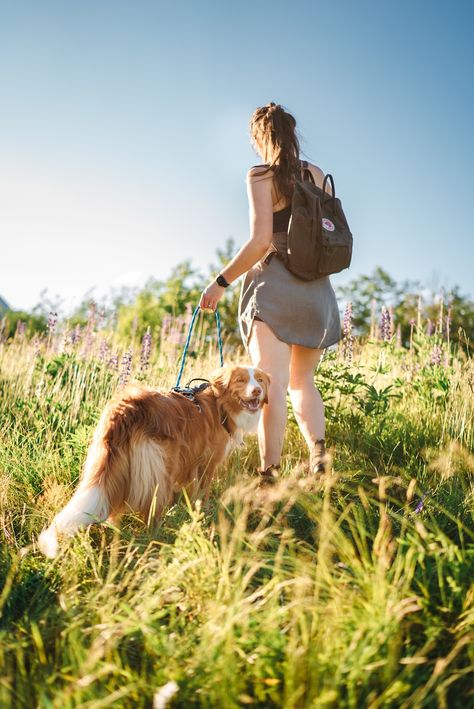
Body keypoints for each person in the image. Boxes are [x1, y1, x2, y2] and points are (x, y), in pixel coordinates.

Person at [199, 102, 341, 480]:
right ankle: (319, 461)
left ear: (259, 137)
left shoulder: (260, 175)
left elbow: (261, 241)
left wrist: (220, 282)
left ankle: (269, 475)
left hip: (275, 287)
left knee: (271, 384)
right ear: (292, 133)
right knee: (302, 382)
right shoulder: (315, 173)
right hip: (316, 291)